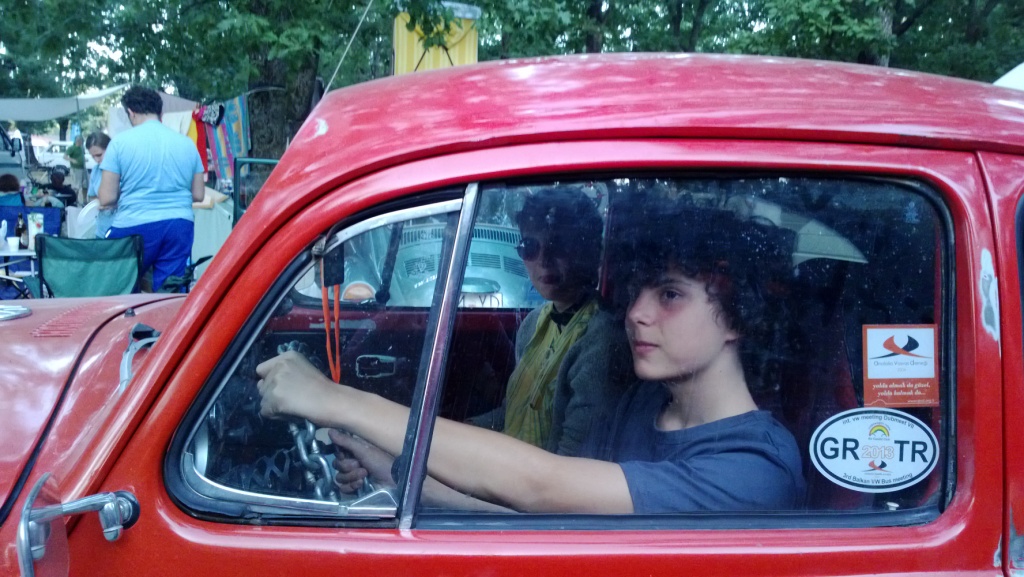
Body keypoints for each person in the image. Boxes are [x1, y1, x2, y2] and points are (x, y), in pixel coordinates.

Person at [257, 205, 806, 514]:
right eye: (638, 292)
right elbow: (537, 517)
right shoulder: (643, 406)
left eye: (670, 295)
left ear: (738, 317)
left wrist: (337, 400)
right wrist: (396, 469)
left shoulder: (753, 472)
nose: (636, 313)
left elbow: (543, 484)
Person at [468, 189, 629, 456]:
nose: (544, 260)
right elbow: (514, 414)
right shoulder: (533, 324)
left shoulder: (602, 339)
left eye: (559, 245)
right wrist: (467, 430)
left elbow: (573, 459)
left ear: (590, 252)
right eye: (530, 247)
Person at [98, 85, 205, 292]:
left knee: (121, 288)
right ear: (160, 112)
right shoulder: (187, 144)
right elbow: (198, 194)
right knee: (170, 292)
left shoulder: (119, 143)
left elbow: (106, 198)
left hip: (133, 226)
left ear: (131, 112)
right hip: (179, 225)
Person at [85, 132, 114, 238]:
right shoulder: (96, 170)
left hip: (120, 228)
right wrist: (98, 203)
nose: (97, 160)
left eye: (99, 155)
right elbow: (92, 196)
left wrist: (113, 204)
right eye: (93, 157)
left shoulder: (124, 168)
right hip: (102, 229)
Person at [64, 135, 86, 203]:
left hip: (83, 168)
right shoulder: (72, 148)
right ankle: (75, 200)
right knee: (76, 186)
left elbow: (82, 156)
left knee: (85, 185)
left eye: (82, 141)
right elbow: (65, 156)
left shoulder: (82, 148)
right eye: (80, 141)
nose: (81, 142)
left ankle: (85, 200)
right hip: (75, 169)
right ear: (77, 141)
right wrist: (72, 160)